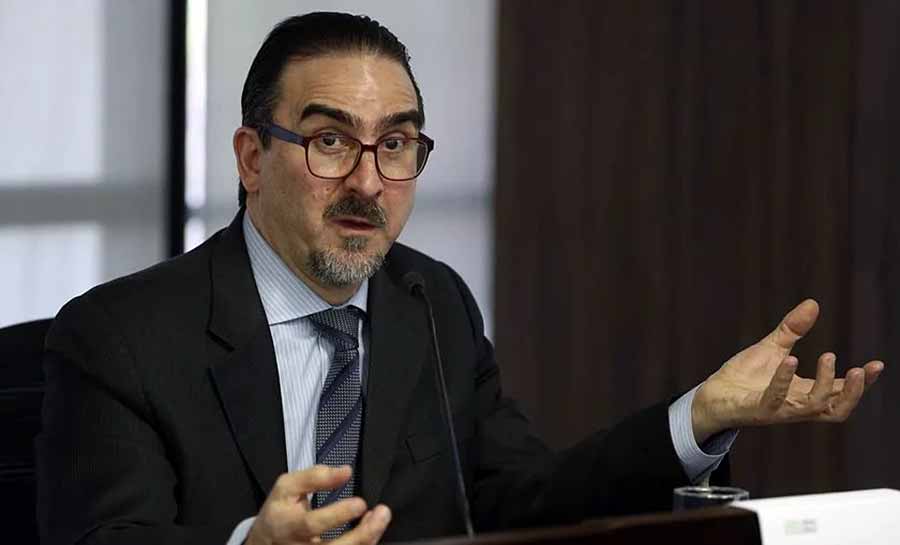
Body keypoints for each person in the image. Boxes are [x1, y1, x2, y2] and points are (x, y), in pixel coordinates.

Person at [36, 12, 884, 545]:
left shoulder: (429, 302)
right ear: (253, 158)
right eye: (330, 141)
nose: (368, 182)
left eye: (396, 144)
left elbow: (527, 500)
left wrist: (699, 415)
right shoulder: (120, 337)